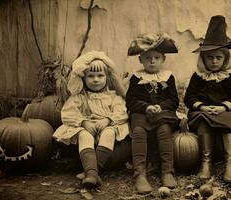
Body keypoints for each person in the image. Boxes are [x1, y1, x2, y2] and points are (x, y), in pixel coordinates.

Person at [53, 51, 130, 188]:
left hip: (106, 126)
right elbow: (68, 113)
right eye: (91, 76)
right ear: (83, 79)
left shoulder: (113, 96)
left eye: (100, 75)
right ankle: (92, 172)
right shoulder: (79, 97)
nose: (96, 79)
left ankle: (92, 172)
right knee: (84, 135)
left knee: (110, 133)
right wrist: (83, 122)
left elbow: (121, 112)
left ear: (107, 78)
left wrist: (107, 119)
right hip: (86, 126)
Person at [184, 15, 231, 183]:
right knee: (203, 123)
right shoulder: (198, 76)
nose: (214, 61)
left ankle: (230, 166)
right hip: (203, 112)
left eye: (218, 57)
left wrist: (224, 107)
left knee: (227, 125)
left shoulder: (228, 77)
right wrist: (201, 107)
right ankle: (206, 163)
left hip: (223, 112)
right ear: (203, 59)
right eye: (210, 57)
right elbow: (189, 97)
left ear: (225, 59)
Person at [126, 33, 179, 194]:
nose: (152, 61)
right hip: (142, 114)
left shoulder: (168, 77)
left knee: (164, 130)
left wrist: (160, 106)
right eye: (148, 57)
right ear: (140, 59)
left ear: (163, 59)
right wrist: (145, 107)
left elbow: (174, 100)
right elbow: (131, 100)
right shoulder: (136, 78)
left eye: (156, 57)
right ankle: (140, 174)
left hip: (162, 114)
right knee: (139, 131)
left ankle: (167, 171)